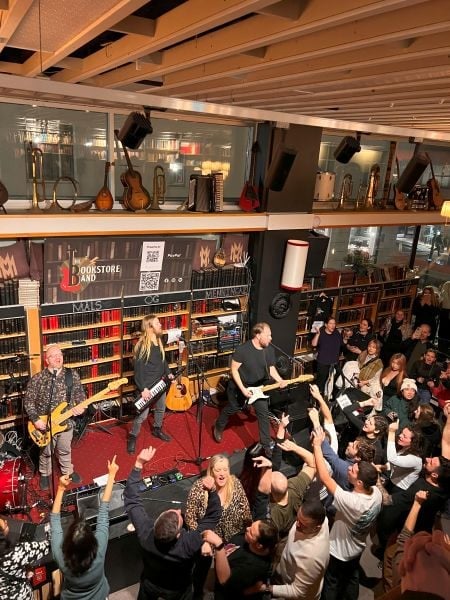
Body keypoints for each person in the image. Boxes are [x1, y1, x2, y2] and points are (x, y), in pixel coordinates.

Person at [124, 446, 221, 600]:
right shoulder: (188, 544)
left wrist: (138, 463)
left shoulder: (145, 532)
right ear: (178, 535)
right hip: (178, 589)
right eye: (178, 515)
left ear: (155, 522)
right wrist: (213, 491)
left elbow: (131, 498)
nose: (177, 510)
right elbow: (213, 516)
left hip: (151, 582)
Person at [312, 426, 382, 600]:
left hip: (339, 552)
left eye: (353, 470)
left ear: (359, 482)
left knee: (332, 581)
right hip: (357, 547)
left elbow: (325, 477)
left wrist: (316, 446)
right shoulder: (377, 494)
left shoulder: (350, 501)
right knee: (352, 577)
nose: (350, 468)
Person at [50, 456, 119, 599]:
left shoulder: (61, 558)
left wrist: (61, 488)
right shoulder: (99, 550)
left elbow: (55, 521)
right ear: (92, 543)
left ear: (67, 544)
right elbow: (104, 512)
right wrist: (111, 475)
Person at [213, 322, 287, 455]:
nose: (271, 338)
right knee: (234, 408)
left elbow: (271, 368)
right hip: (239, 386)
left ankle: (265, 445)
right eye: (268, 335)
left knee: (263, 413)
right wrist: (242, 389)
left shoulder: (269, 350)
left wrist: (280, 380)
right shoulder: (243, 350)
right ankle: (218, 425)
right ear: (258, 335)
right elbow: (234, 370)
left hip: (258, 387)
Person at [24, 343, 85, 490]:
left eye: (60, 355)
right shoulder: (38, 379)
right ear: (47, 360)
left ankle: (68, 471)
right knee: (46, 452)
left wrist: (81, 406)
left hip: (66, 422)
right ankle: (45, 473)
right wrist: (36, 420)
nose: (58, 358)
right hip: (44, 425)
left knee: (65, 449)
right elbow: (28, 401)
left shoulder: (71, 375)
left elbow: (80, 394)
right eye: (54, 355)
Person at [259, 500, 330, 600]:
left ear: (316, 527)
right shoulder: (321, 519)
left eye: (303, 525)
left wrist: (266, 588)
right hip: (286, 575)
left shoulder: (311, 557)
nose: (297, 525)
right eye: (297, 518)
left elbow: (297, 592)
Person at [127, 314, 173, 454]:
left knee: (161, 408)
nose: (160, 325)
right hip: (147, 388)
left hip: (160, 383)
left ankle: (157, 429)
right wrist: (143, 389)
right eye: (157, 323)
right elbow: (138, 370)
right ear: (150, 327)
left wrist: (168, 372)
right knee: (142, 416)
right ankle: (133, 436)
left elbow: (163, 361)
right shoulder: (142, 346)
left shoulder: (158, 341)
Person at [202, 519, 279, 600]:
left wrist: (219, 546)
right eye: (251, 526)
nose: (247, 529)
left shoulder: (255, 566)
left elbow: (224, 580)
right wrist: (207, 543)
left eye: (251, 533)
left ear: (259, 545)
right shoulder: (246, 537)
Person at [185, 454, 251, 543]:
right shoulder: (199, 487)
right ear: (211, 471)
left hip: (234, 535)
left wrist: (250, 528)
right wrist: (200, 538)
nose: (222, 474)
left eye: (225, 470)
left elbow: (245, 508)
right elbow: (190, 517)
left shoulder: (235, 483)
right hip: (209, 540)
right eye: (218, 470)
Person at [0, 516, 50, 600]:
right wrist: (49, 528)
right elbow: (46, 546)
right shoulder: (15, 553)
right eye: (3, 524)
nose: (6, 521)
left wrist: (25, 568)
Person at [384, 420, 424, 494]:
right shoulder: (404, 448)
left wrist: (392, 432)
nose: (400, 436)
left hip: (398, 490)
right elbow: (397, 463)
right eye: (402, 433)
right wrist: (384, 467)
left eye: (404, 436)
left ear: (413, 443)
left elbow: (392, 459)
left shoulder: (415, 459)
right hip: (392, 482)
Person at [311, 316, 343, 397]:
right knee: (320, 384)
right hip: (323, 363)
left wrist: (346, 338)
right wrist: (317, 334)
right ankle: (317, 401)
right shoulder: (321, 332)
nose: (333, 325)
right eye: (331, 323)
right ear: (326, 324)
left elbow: (341, 345)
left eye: (334, 323)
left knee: (334, 382)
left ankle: (329, 398)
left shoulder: (337, 333)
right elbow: (314, 344)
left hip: (334, 363)